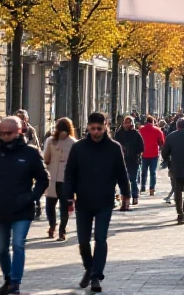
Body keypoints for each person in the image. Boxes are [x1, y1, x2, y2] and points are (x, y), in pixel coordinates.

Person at [0, 116, 49, 295]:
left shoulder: (30, 153)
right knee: (2, 248)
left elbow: (43, 178)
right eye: (1, 133)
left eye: (8, 133)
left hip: (23, 208)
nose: (5, 136)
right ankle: (8, 278)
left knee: (18, 244)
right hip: (0, 208)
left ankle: (15, 283)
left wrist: (32, 197)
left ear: (19, 131)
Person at [64, 112, 130, 293]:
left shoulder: (114, 148)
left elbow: (121, 172)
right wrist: (68, 196)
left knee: (100, 238)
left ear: (106, 126)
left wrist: (126, 194)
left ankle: (96, 276)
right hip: (83, 201)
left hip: (105, 201)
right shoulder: (78, 148)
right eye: (92, 129)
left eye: (99, 129)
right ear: (87, 128)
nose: (95, 132)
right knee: (83, 241)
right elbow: (70, 173)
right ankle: (89, 267)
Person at [43, 117, 76, 241]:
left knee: (50, 204)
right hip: (66, 178)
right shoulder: (73, 143)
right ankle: (62, 230)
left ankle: (52, 226)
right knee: (64, 206)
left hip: (52, 177)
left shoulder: (51, 141)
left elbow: (46, 158)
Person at [161, 117, 184, 224]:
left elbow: (164, 153)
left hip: (176, 167)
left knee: (177, 191)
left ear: (177, 126)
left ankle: (179, 212)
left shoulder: (171, 136)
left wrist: (168, 161)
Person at [113, 116, 144, 205]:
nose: (127, 124)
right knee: (122, 179)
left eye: (129, 122)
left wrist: (138, 155)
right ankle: (125, 197)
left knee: (133, 179)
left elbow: (141, 147)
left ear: (132, 123)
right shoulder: (119, 133)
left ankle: (134, 196)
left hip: (133, 160)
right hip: (122, 160)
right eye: (125, 122)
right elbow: (115, 145)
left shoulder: (136, 134)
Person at [138, 116, 164, 197]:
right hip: (154, 153)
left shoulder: (141, 130)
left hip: (144, 153)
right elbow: (162, 142)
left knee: (143, 171)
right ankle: (152, 189)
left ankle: (142, 187)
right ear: (153, 122)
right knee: (153, 172)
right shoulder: (158, 130)